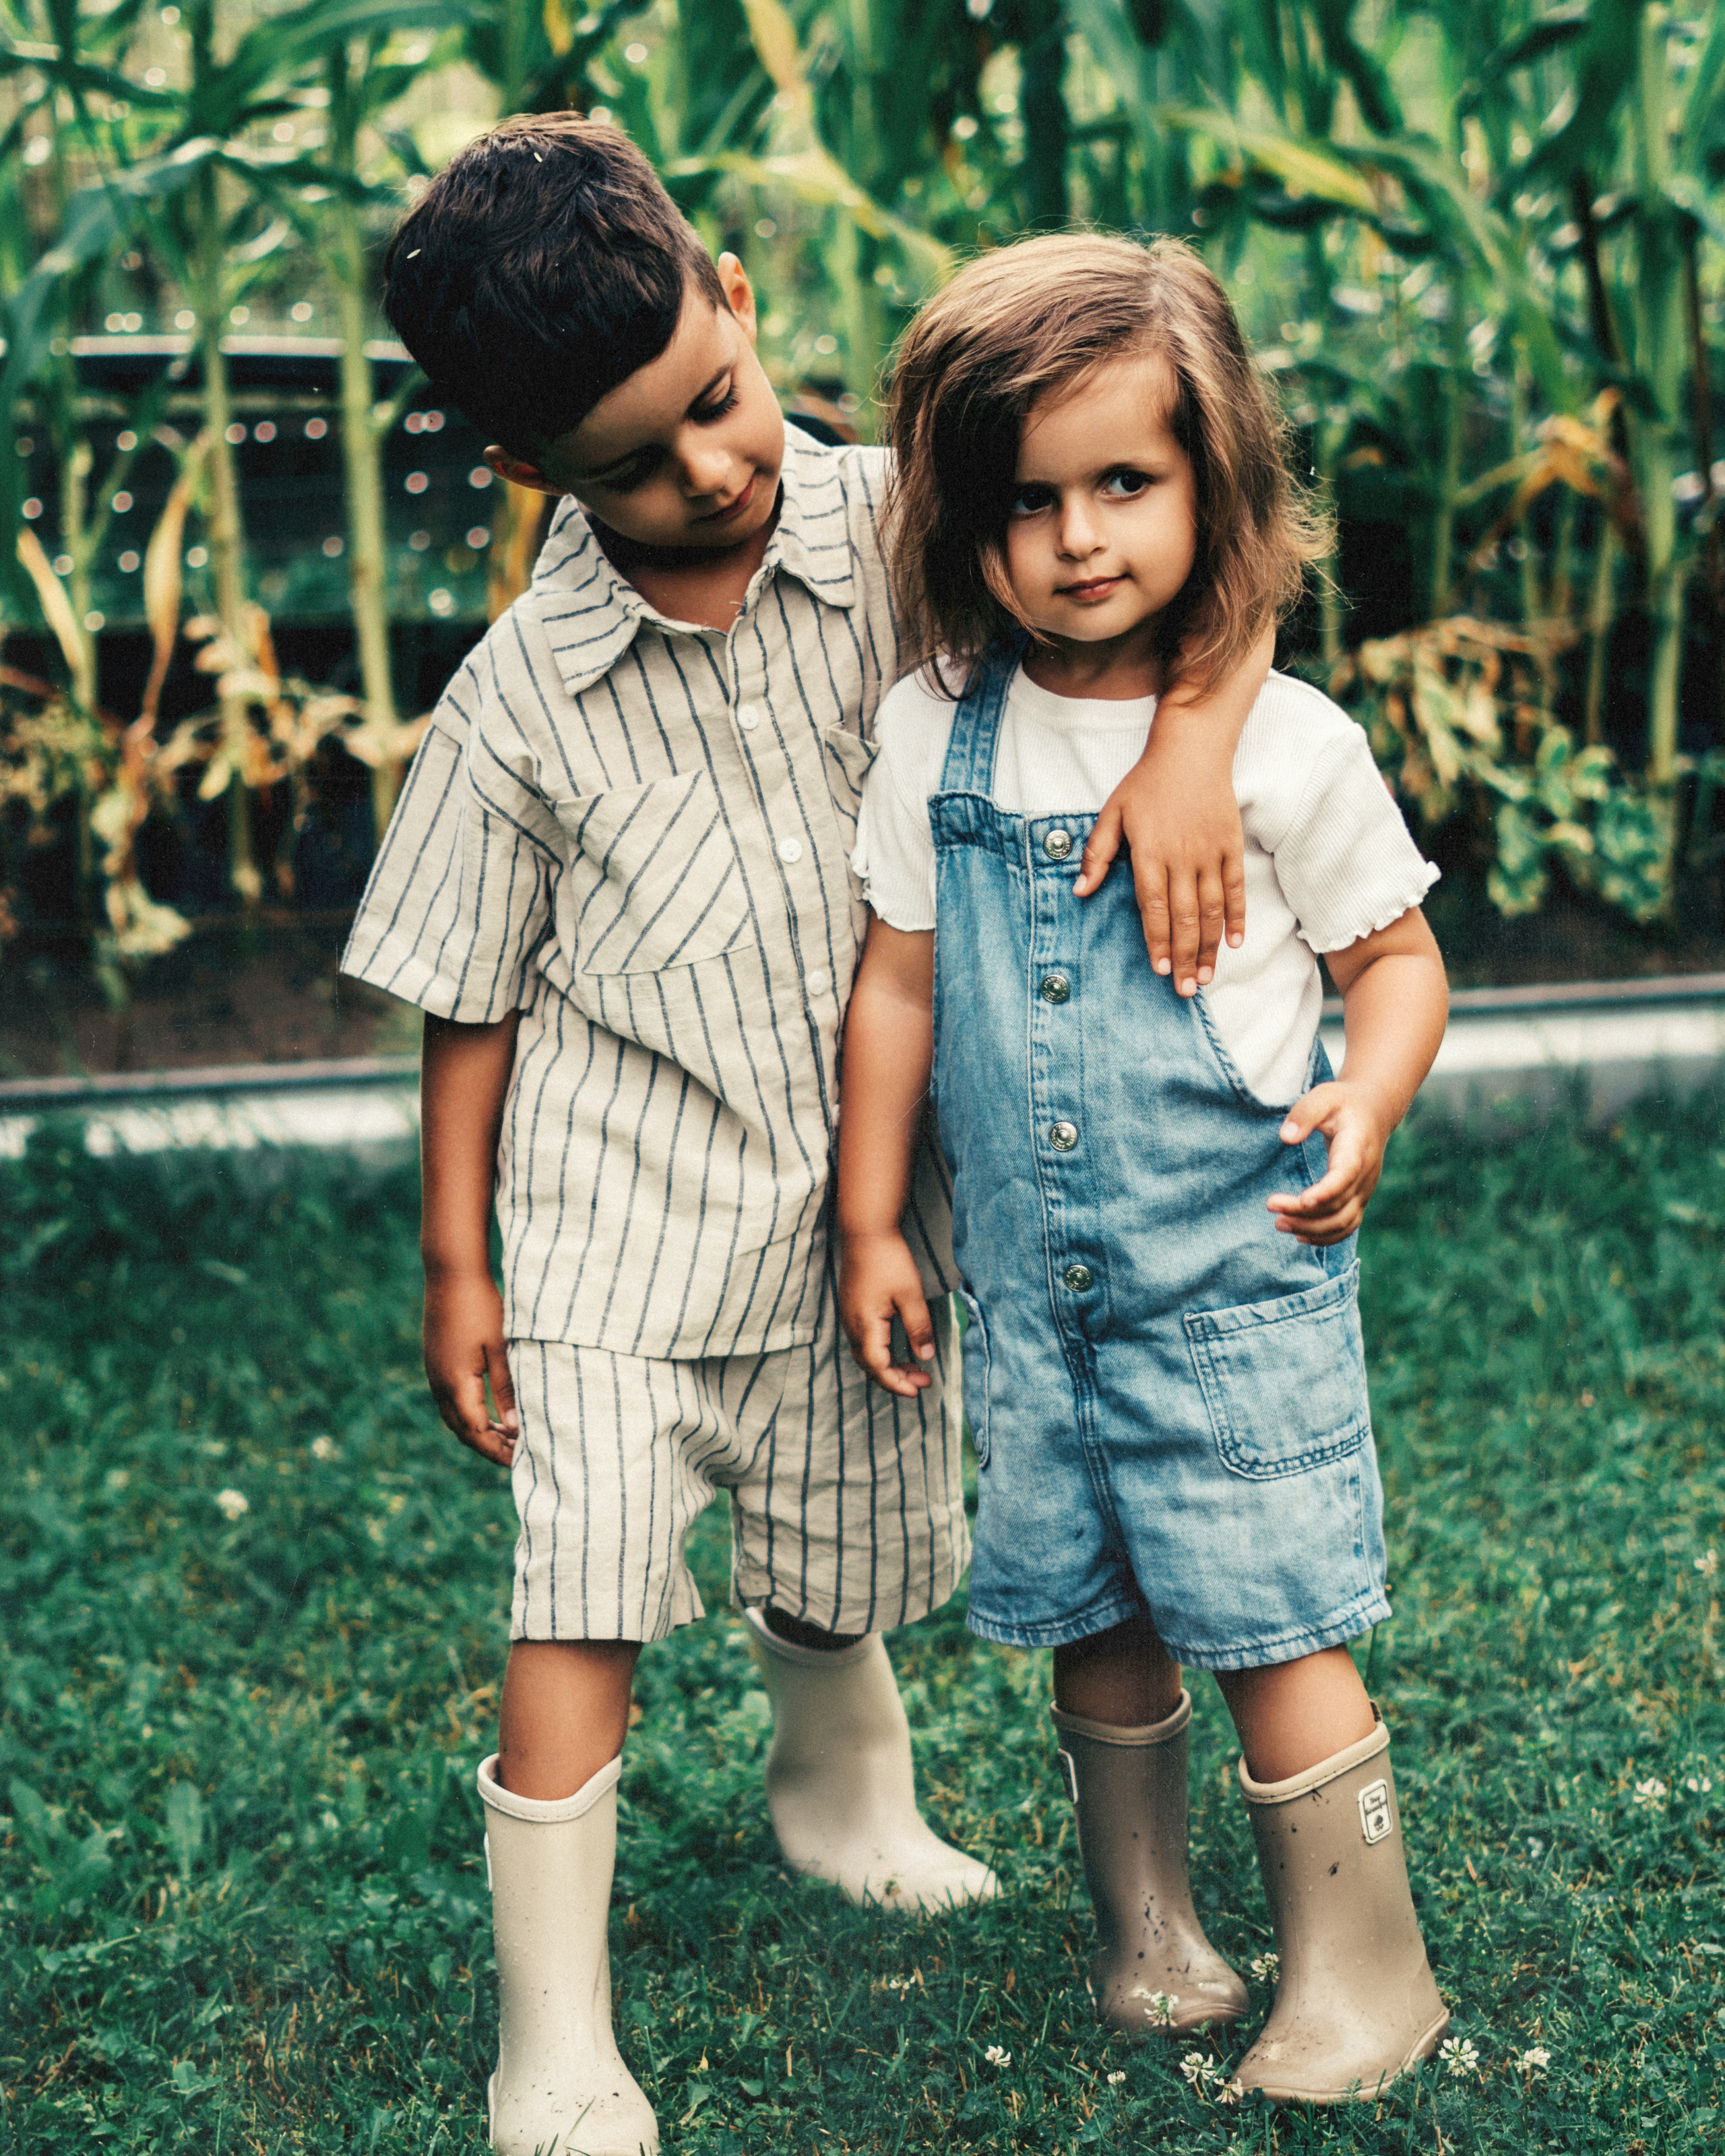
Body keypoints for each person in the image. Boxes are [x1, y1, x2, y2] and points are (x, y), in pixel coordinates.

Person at [342, 120, 1271, 2156]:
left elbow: (1181, 584)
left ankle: (839, 1778)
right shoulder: (523, 698)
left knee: (841, 1543)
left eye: (715, 401)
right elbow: (470, 990)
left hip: (863, 1185)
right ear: (533, 479)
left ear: (741, 306)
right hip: (614, 1213)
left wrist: (1198, 743)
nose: (707, 468)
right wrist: (457, 1260)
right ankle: (557, 2035)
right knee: (576, 1587)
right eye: (630, 460)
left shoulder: (917, 529)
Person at [838, 232, 1453, 2107]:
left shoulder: (1282, 742)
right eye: (1030, 499)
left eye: (1128, 483)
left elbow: (1397, 959)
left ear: (1212, 484)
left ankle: (1364, 1971)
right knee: (1093, 1625)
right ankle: (1154, 1933)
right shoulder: (935, 731)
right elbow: (899, 983)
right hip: (1034, 1303)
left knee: (1273, 1620)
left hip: (1227, 1288)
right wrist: (875, 1210)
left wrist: (1371, 1100)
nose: (1080, 537)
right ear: (967, 516)